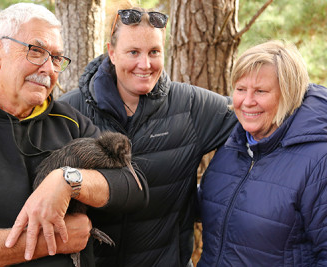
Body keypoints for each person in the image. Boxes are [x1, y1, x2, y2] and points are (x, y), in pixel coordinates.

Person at [0, 3, 147, 267]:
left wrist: (69, 181)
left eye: (56, 58)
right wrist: (52, 241)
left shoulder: (70, 121)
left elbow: (134, 187)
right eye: (36, 51)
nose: (48, 68)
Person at [59, 6, 237, 266]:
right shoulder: (72, 110)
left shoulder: (189, 105)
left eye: (154, 52)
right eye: (133, 52)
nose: (145, 64)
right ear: (111, 52)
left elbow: (255, 116)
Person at [198, 40, 327, 266]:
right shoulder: (232, 144)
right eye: (240, 89)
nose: (247, 102)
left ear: (289, 94)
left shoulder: (318, 160)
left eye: (260, 91)